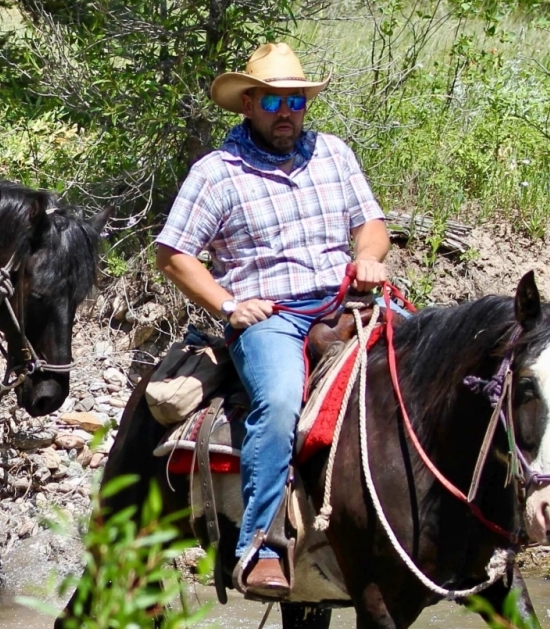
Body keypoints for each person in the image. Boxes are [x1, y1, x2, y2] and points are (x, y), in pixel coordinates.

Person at [154, 42, 391, 599]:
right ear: (249, 104)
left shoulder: (333, 153)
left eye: (296, 100)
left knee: (431, 366)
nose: (286, 111)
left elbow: (371, 223)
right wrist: (228, 306)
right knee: (281, 399)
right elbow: (173, 254)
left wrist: (370, 256)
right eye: (274, 101)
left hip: (345, 297)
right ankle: (259, 545)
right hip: (273, 314)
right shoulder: (217, 173)